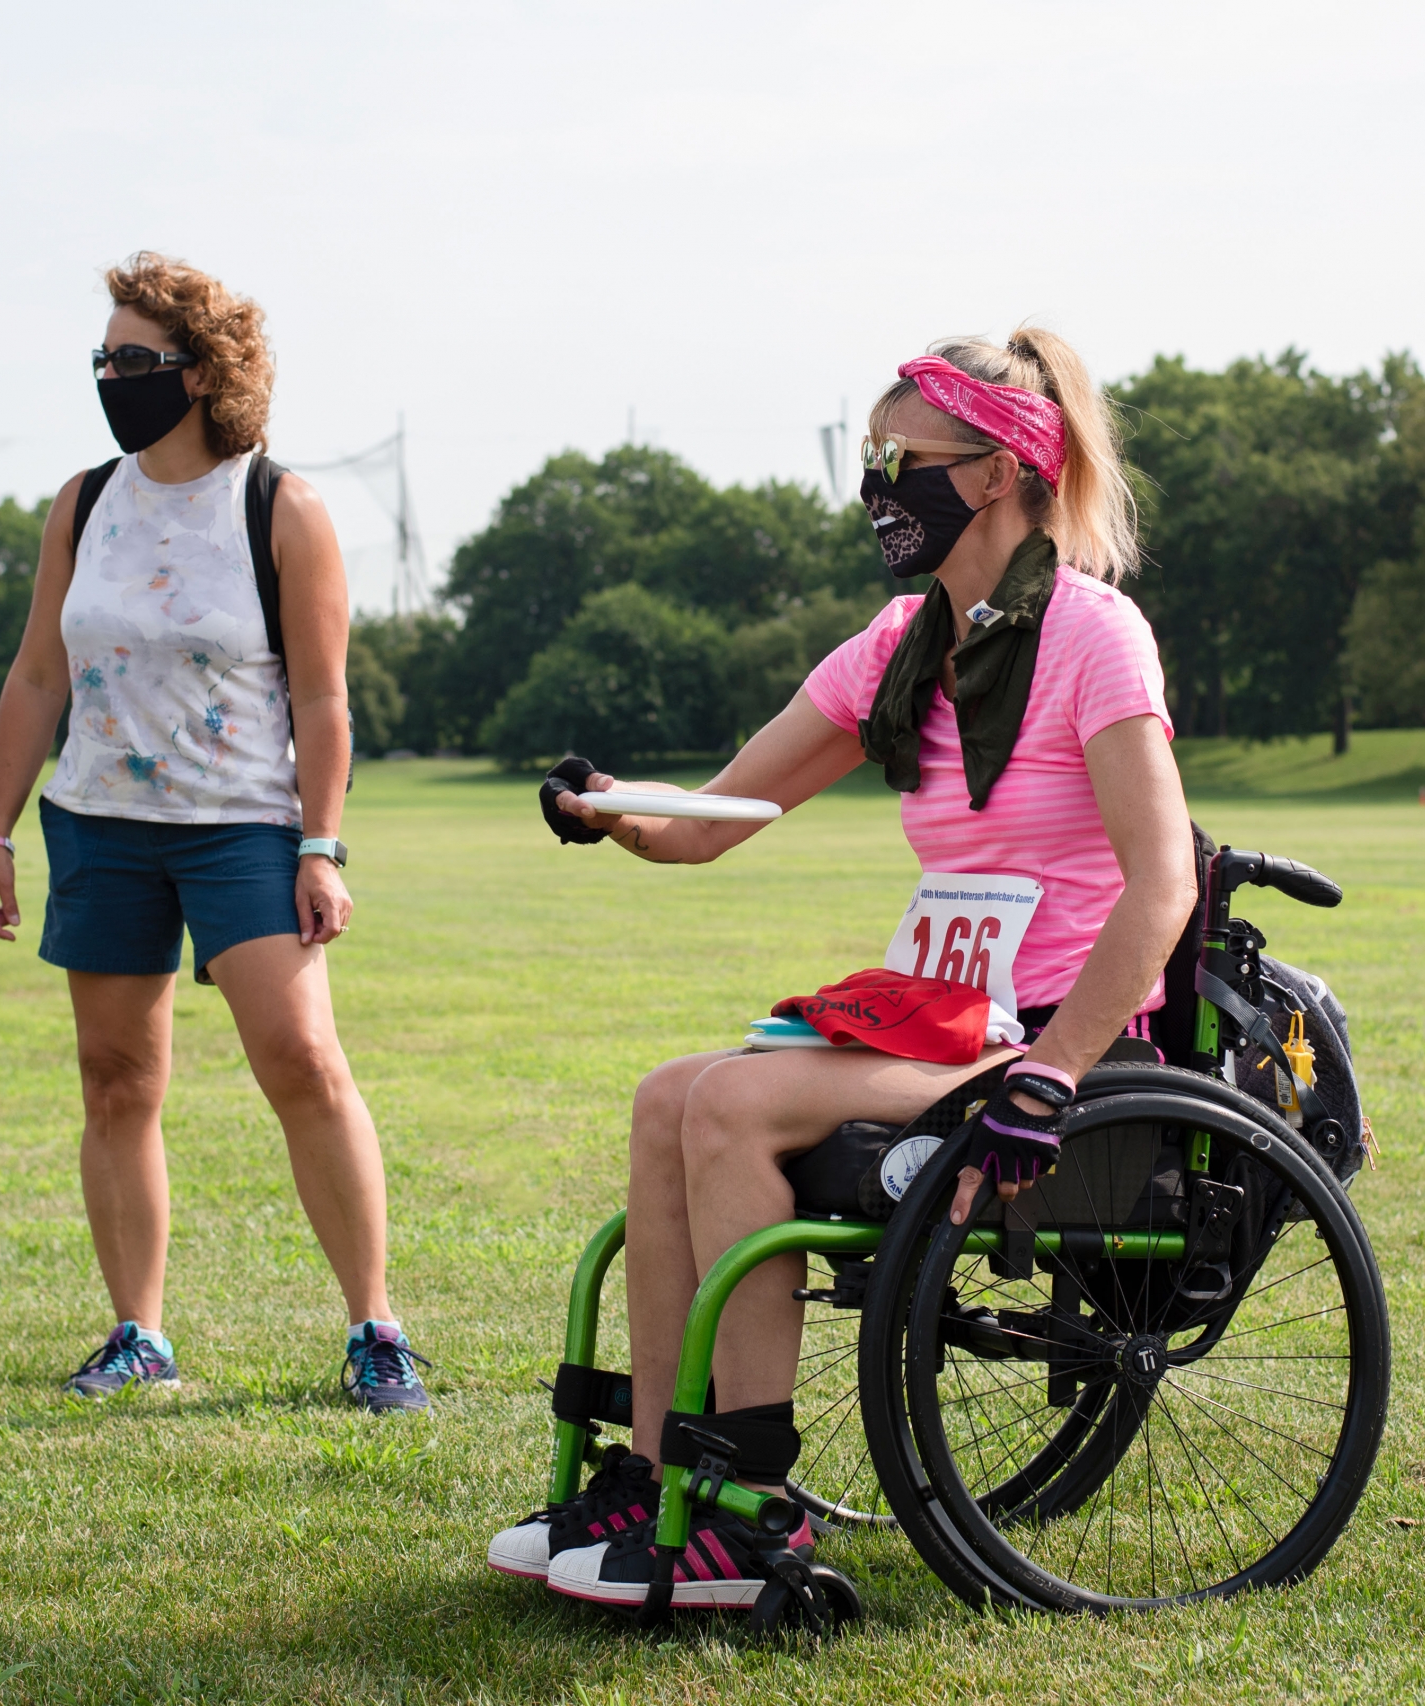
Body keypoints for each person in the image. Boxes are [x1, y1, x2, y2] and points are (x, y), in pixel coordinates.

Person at [488, 327, 1195, 1607]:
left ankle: (748, 1512)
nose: (876, 485)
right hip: (945, 1017)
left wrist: (1052, 1069)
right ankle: (658, 1482)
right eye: (872, 457)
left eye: (898, 458)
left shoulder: (1096, 637)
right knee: (666, 1094)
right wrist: (611, 812)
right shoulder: (897, 646)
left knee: (729, 1100)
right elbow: (711, 820)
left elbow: (1163, 885)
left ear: (991, 473)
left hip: (1047, 1032)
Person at [0, 252, 429, 1414]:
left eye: (135, 359)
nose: (112, 377)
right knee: (117, 1080)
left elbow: (323, 700)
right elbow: (36, 676)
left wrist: (321, 843)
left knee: (303, 1061)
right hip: (102, 824)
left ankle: (375, 1329)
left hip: (242, 830)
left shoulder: (281, 506)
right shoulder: (82, 502)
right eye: (102, 359)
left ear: (202, 370)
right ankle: (139, 1332)